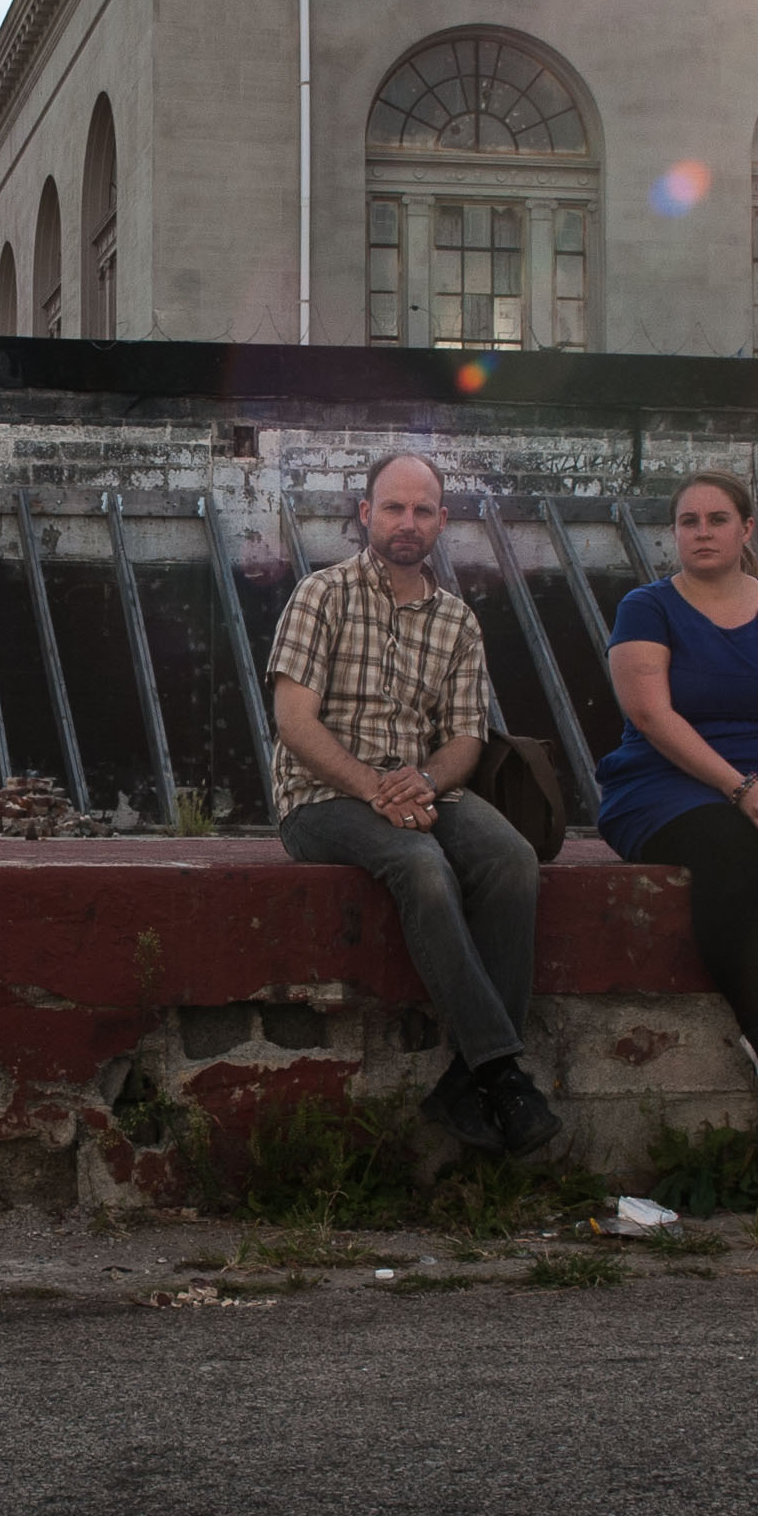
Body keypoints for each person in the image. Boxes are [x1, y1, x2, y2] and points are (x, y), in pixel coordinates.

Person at [267, 449, 563, 1155]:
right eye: (393, 507)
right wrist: (374, 788)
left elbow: (465, 740)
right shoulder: (322, 594)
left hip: (422, 790)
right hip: (321, 798)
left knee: (512, 859)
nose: (408, 522)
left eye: (422, 510)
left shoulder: (457, 621)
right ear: (366, 514)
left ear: (442, 521)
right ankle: (501, 1071)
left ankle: (469, 1078)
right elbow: (294, 722)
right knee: (421, 865)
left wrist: (425, 782)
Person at [594, 467, 758, 1102]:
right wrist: (737, 788)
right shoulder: (647, 607)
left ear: (746, 530)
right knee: (731, 845)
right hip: (667, 777)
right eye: (689, 521)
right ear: (675, 534)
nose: (702, 532)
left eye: (717, 520)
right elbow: (652, 716)